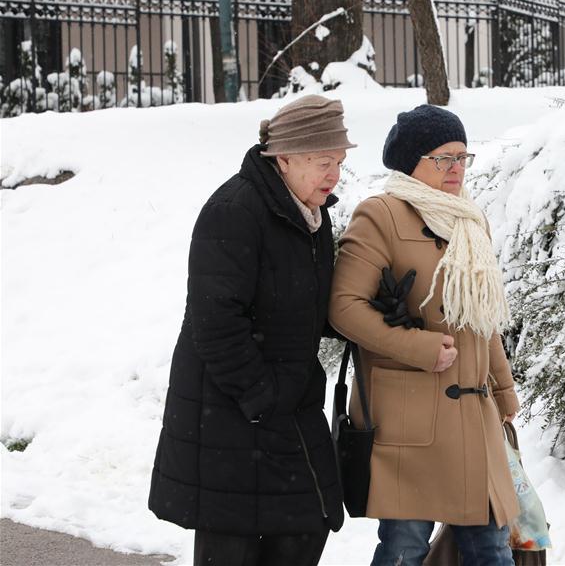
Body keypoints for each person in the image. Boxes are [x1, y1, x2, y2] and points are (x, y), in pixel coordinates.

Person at [148, 94, 353, 566]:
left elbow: (301, 304)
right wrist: (263, 397)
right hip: (229, 418)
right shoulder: (234, 211)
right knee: (232, 549)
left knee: (306, 528)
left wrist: (367, 308)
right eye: (324, 162)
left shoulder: (310, 216)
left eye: (339, 162)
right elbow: (216, 323)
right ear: (283, 158)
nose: (334, 175)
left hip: (283, 412)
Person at [329, 104, 520, 566]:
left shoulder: (470, 221)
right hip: (409, 422)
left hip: (474, 419)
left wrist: (504, 390)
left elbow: (481, 316)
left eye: (462, 156)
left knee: (492, 549)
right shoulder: (380, 215)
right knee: (404, 548)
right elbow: (343, 308)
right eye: (443, 158)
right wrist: (418, 347)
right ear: (411, 160)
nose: (457, 168)